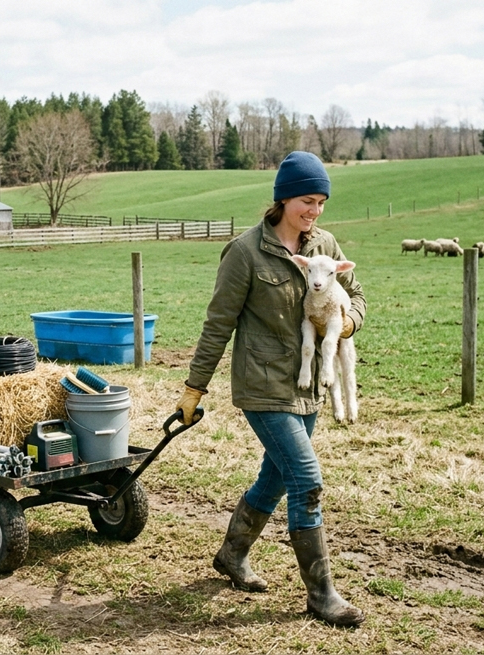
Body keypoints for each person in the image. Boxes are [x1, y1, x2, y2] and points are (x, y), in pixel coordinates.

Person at [174, 150, 366, 627]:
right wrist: (193, 389)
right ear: (283, 198)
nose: (315, 212)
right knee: (306, 479)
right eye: (307, 200)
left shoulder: (325, 245)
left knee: (276, 478)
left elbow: (355, 295)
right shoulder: (245, 253)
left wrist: (347, 325)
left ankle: (231, 554)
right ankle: (321, 596)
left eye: (321, 201)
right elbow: (218, 324)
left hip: (306, 387)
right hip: (262, 386)